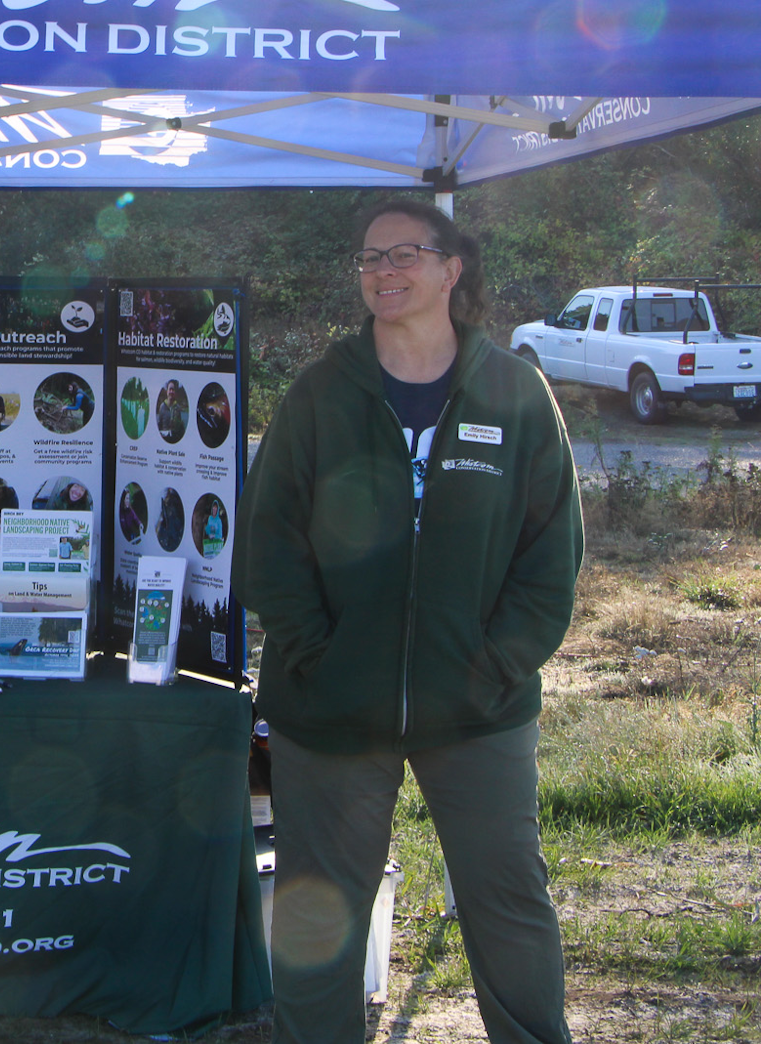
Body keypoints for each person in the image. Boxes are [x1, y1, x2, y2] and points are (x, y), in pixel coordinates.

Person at [234, 198, 582, 1044]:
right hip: (333, 711)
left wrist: (497, 661)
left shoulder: (515, 391)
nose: (383, 272)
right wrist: (322, 654)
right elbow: (266, 544)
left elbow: (552, 554)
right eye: (369, 259)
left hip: (478, 709)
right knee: (321, 918)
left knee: (508, 899)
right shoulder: (323, 393)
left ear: (451, 269)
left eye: (404, 255)